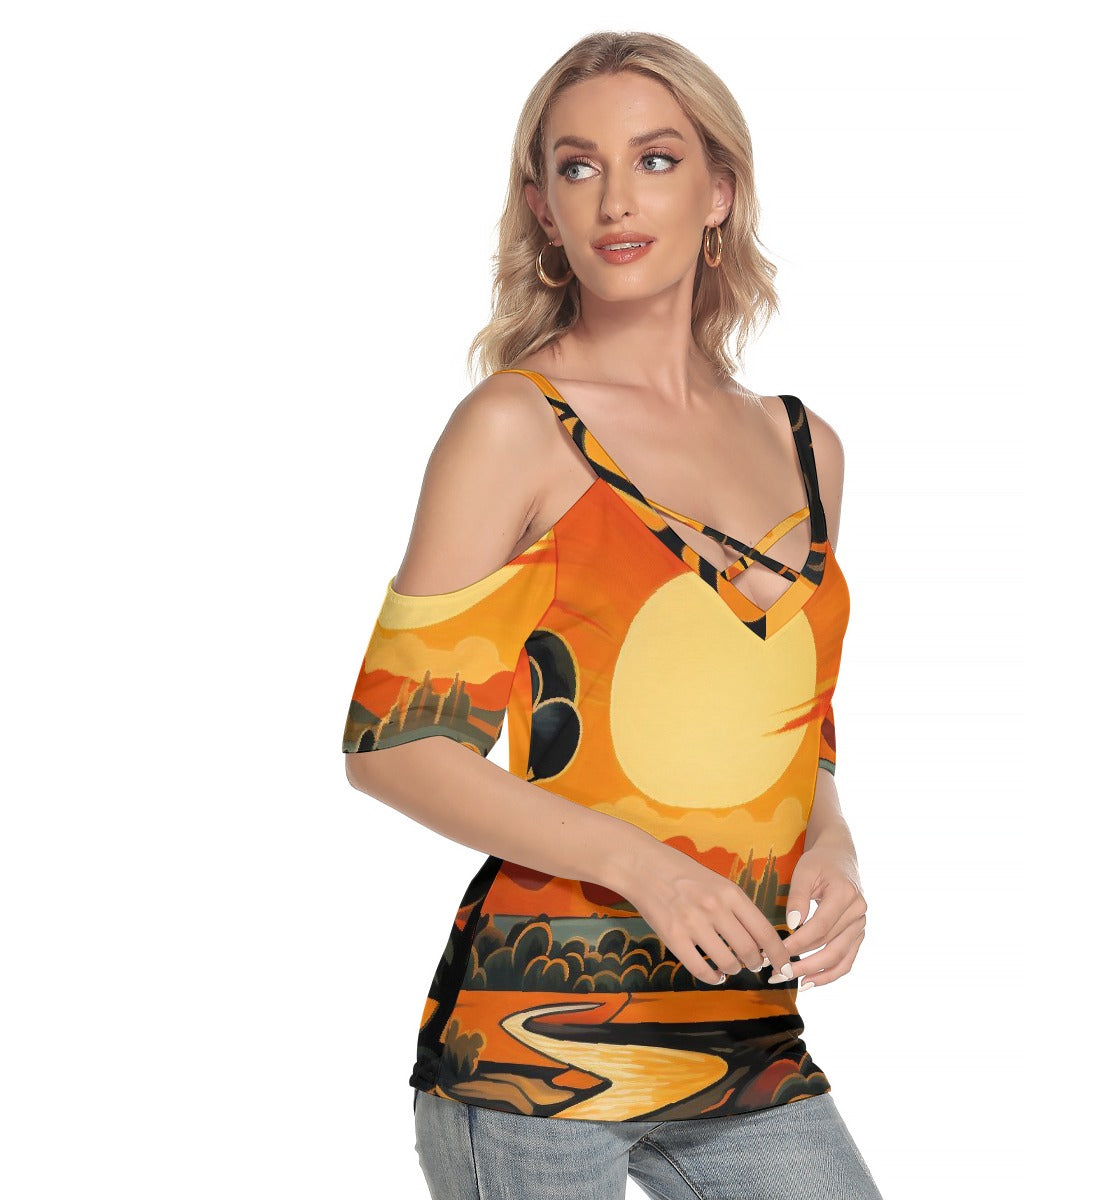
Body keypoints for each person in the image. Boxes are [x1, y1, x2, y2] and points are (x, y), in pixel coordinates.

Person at [341, 30, 883, 1200]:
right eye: (578, 166)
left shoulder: (806, 446)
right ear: (543, 207)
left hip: (747, 1037)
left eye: (656, 159)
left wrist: (832, 844)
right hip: (535, 1053)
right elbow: (394, 747)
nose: (616, 198)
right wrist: (650, 871)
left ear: (719, 192)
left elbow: (794, 722)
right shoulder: (516, 427)